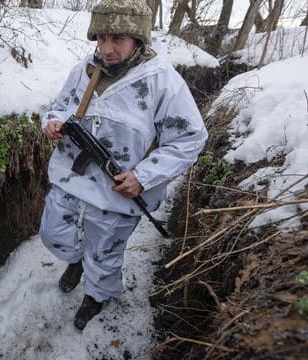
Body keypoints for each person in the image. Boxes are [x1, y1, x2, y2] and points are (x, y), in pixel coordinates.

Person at [39, 0, 208, 331]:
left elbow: (189, 138)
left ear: (138, 40)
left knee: (104, 256)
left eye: (117, 39)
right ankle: (76, 261)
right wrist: (54, 122)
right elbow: (59, 106)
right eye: (101, 38)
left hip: (118, 191)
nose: (107, 48)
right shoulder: (84, 69)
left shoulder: (163, 82)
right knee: (52, 234)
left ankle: (97, 296)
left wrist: (143, 177)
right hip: (71, 177)